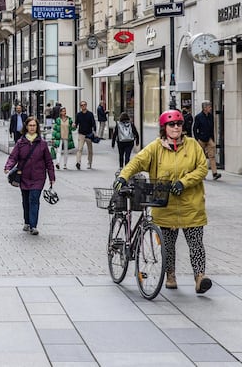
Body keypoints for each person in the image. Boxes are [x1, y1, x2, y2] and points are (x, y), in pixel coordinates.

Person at [115, 109, 212, 294]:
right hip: (165, 206)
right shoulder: (155, 148)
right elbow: (136, 162)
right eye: (171, 124)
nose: (176, 127)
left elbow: (202, 168)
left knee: (196, 244)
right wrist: (123, 176)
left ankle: (200, 277)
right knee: (168, 246)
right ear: (164, 128)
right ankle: (170, 275)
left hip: (191, 206)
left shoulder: (192, 146)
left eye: (179, 124)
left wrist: (184, 182)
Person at [4, 116, 55, 235]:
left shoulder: (42, 144)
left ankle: (33, 225)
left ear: (37, 128)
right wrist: (8, 166)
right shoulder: (21, 142)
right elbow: (13, 157)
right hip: (24, 176)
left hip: (38, 177)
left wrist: (51, 177)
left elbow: (48, 161)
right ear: (26, 127)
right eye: (30, 125)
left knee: (34, 199)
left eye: (34, 125)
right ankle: (27, 221)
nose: (32, 128)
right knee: (26, 200)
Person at [193, 101, 222, 180]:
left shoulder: (211, 116)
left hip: (209, 138)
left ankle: (214, 173)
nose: (211, 108)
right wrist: (197, 139)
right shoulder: (198, 117)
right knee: (201, 158)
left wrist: (213, 139)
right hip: (201, 139)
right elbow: (195, 129)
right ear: (205, 108)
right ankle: (202, 174)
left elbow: (212, 128)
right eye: (209, 107)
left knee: (212, 156)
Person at [73, 101, 96, 170]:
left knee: (90, 150)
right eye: (82, 105)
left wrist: (94, 132)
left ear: (86, 105)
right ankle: (78, 162)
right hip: (81, 134)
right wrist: (74, 125)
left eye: (84, 105)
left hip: (89, 134)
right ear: (80, 106)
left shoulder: (90, 114)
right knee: (79, 149)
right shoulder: (78, 115)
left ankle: (89, 163)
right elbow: (76, 124)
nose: (83, 106)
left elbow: (93, 124)